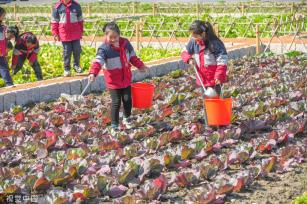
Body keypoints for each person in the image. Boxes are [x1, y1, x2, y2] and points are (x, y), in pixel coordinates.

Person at [88, 22, 148, 133]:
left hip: (125, 78)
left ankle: (127, 119)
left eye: (115, 37)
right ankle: (114, 125)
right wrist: (93, 73)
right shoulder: (104, 49)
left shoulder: (125, 43)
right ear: (106, 36)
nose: (113, 39)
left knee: (127, 99)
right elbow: (98, 61)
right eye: (110, 37)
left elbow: (133, 57)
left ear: (119, 35)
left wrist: (140, 65)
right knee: (116, 102)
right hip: (113, 81)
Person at [181, 20, 228, 95]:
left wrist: (218, 76)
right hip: (202, 79)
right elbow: (184, 51)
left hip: (215, 80)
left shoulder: (215, 43)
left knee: (215, 100)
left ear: (203, 34)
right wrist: (189, 59)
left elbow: (222, 61)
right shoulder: (193, 42)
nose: (193, 38)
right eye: (192, 36)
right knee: (206, 100)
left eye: (195, 36)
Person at [51, 0, 84, 77]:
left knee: (77, 50)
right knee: (67, 52)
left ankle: (76, 65)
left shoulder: (76, 5)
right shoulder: (57, 7)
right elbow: (54, 22)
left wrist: (81, 31)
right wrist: (55, 33)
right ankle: (67, 69)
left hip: (75, 33)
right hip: (64, 34)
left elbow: (80, 20)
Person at [0, 7, 14, 87]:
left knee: (3, 68)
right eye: (3, 15)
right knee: (4, 68)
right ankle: (9, 84)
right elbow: (2, 41)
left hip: (2, 51)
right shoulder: (1, 28)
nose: (4, 17)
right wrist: (3, 52)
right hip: (1, 52)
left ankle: (9, 83)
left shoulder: (3, 27)